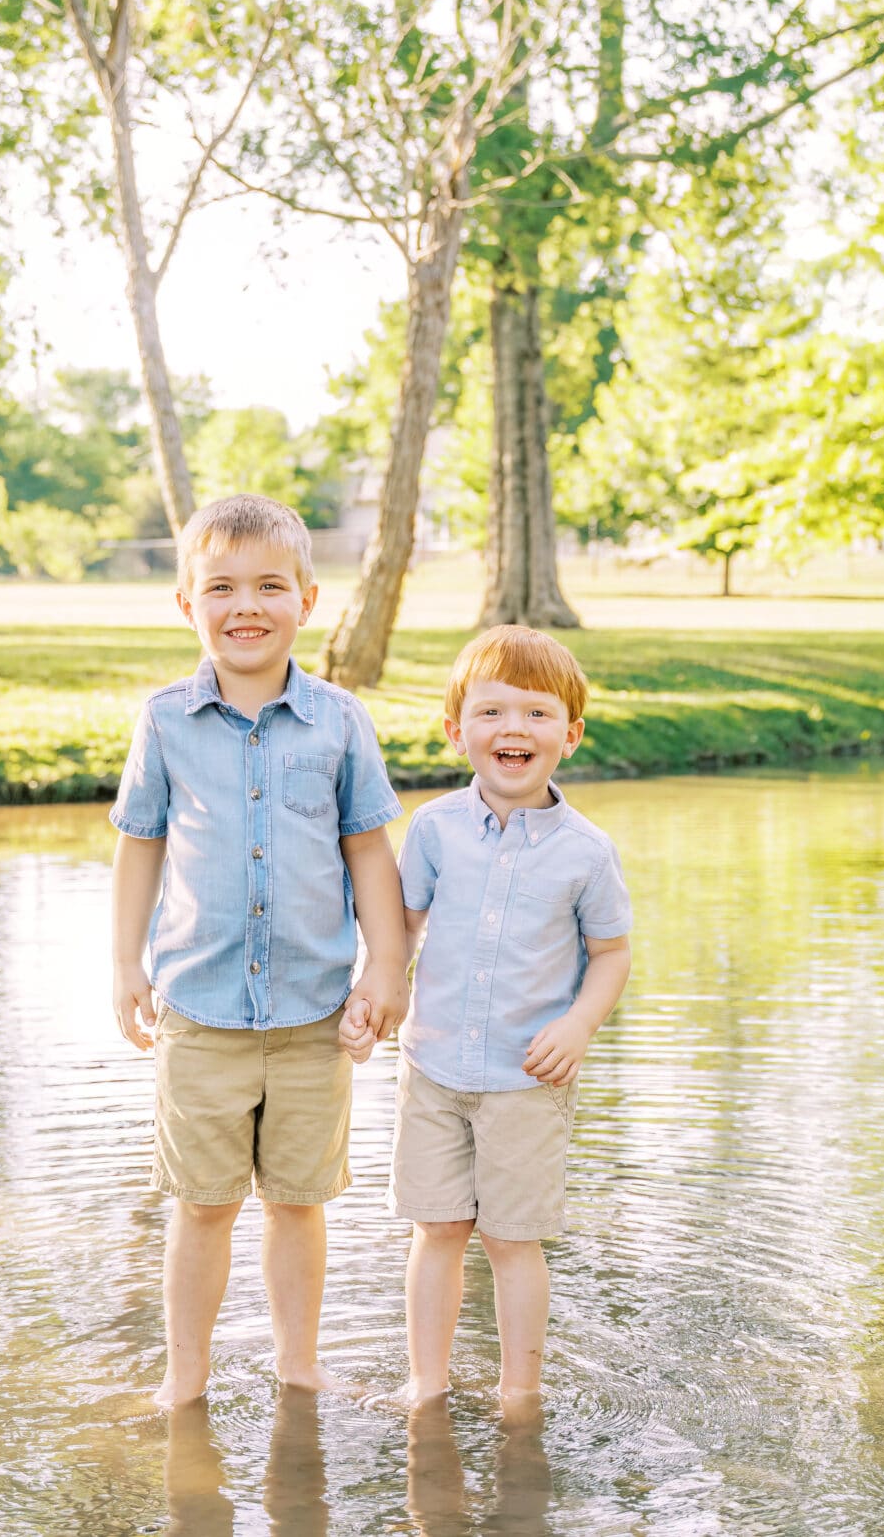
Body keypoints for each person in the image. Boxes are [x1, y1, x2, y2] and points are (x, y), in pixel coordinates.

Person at [109, 493, 411, 1408]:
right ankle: (185, 1375)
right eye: (223, 587)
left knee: (296, 1201)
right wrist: (124, 962)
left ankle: (297, 1363)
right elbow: (140, 843)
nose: (247, 605)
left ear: (308, 601)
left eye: (270, 586)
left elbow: (367, 848)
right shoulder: (165, 721)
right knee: (201, 1204)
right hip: (199, 1012)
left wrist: (385, 967)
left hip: (315, 1013)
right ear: (187, 603)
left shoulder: (339, 722)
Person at [346, 625, 633, 1410]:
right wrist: (375, 998)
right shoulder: (435, 829)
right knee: (436, 1228)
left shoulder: (586, 851)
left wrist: (577, 1025)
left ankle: (520, 1390)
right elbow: (398, 933)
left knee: (511, 1238)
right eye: (493, 711)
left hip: (524, 1080)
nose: (514, 729)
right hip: (432, 1068)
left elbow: (611, 954)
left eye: (537, 714)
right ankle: (426, 1382)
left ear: (570, 735)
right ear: (457, 728)